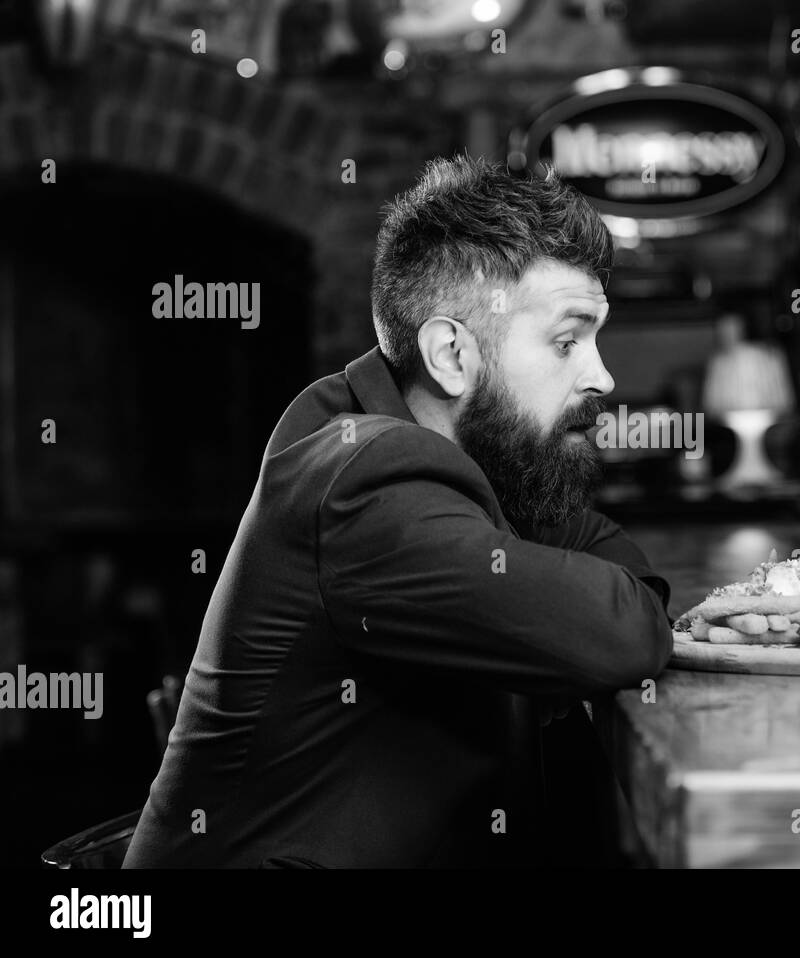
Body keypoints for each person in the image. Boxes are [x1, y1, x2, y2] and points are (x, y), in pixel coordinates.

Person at [122, 155, 673, 868]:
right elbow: (619, 632)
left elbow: (585, 541)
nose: (601, 376)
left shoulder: (406, 430)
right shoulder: (367, 483)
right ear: (451, 354)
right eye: (567, 341)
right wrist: (610, 608)